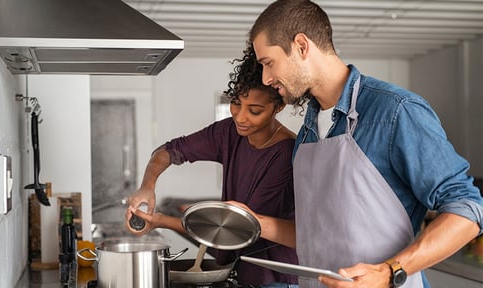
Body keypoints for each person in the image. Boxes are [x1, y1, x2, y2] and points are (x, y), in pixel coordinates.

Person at [232, 0, 483, 287]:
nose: (266, 78)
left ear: (301, 46)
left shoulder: (395, 112)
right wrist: (253, 221)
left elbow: (467, 209)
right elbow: (318, 234)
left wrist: (390, 272)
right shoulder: (306, 135)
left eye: (268, 63)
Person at [124, 46, 299, 287]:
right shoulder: (228, 132)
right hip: (242, 271)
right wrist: (147, 186)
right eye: (236, 103)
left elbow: (235, 229)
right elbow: (169, 151)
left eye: (255, 111)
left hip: (277, 278)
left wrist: (162, 220)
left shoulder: (285, 154)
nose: (240, 117)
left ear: (278, 108)